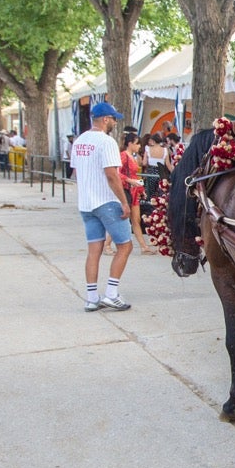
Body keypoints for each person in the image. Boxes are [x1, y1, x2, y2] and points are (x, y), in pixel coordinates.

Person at [73, 101, 134, 312]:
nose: (115, 123)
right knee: (125, 245)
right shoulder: (106, 142)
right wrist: (124, 202)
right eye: (113, 119)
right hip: (106, 201)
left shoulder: (80, 141)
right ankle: (111, 293)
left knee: (94, 250)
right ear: (105, 119)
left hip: (86, 203)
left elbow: (76, 172)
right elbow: (112, 175)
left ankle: (91, 297)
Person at [120, 132, 156, 256]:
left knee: (135, 220)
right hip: (127, 190)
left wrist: (141, 189)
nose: (139, 146)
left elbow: (135, 176)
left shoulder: (132, 156)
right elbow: (118, 173)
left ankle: (143, 246)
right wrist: (131, 182)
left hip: (134, 190)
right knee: (124, 219)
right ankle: (107, 243)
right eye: (137, 144)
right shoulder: (124, 156)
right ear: (130, 144)